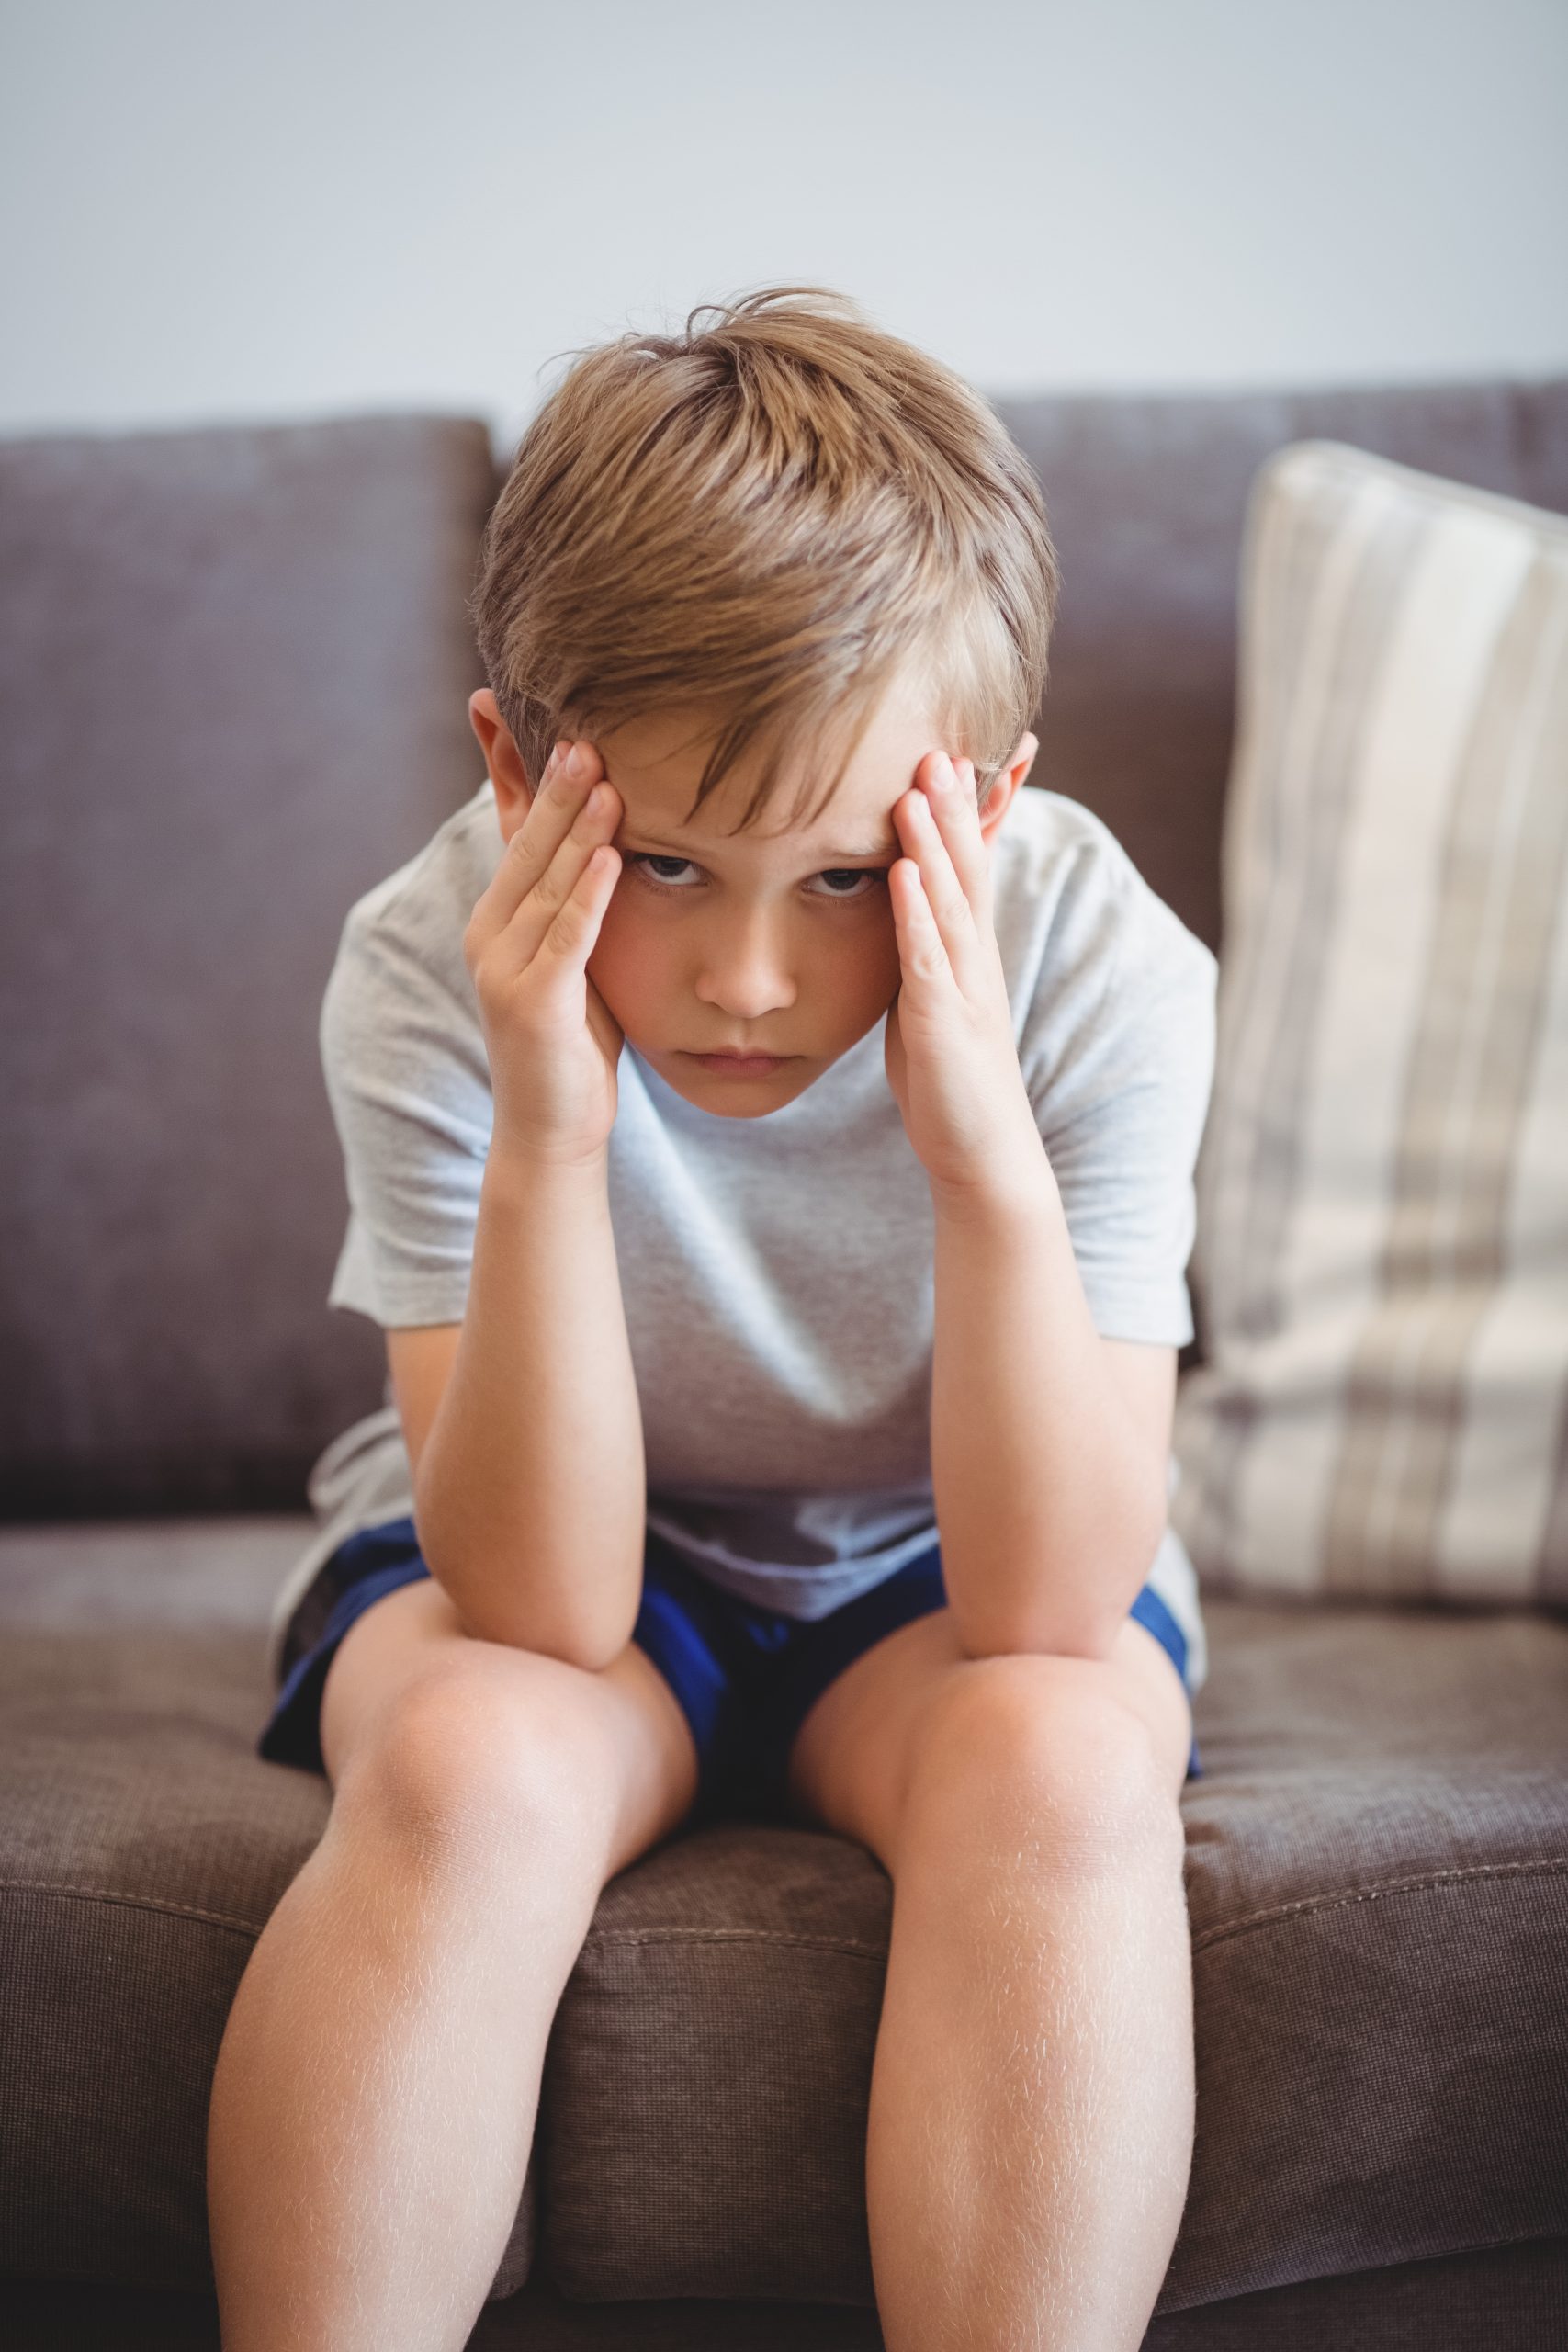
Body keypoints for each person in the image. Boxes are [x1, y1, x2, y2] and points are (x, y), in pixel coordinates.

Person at [207, 284, 1217, 2352]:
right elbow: (546, 1609)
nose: (746, 980)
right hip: (562, 1563)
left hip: (949, 1571)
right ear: (515, 774)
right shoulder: (431, 969)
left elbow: (1044, 1599)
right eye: (666, 862)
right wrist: (547, 1138)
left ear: (987, 808)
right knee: (475, 1754)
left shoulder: (1100, 962)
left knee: (1058, 1753)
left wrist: (976, 1153)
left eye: (843, 879)